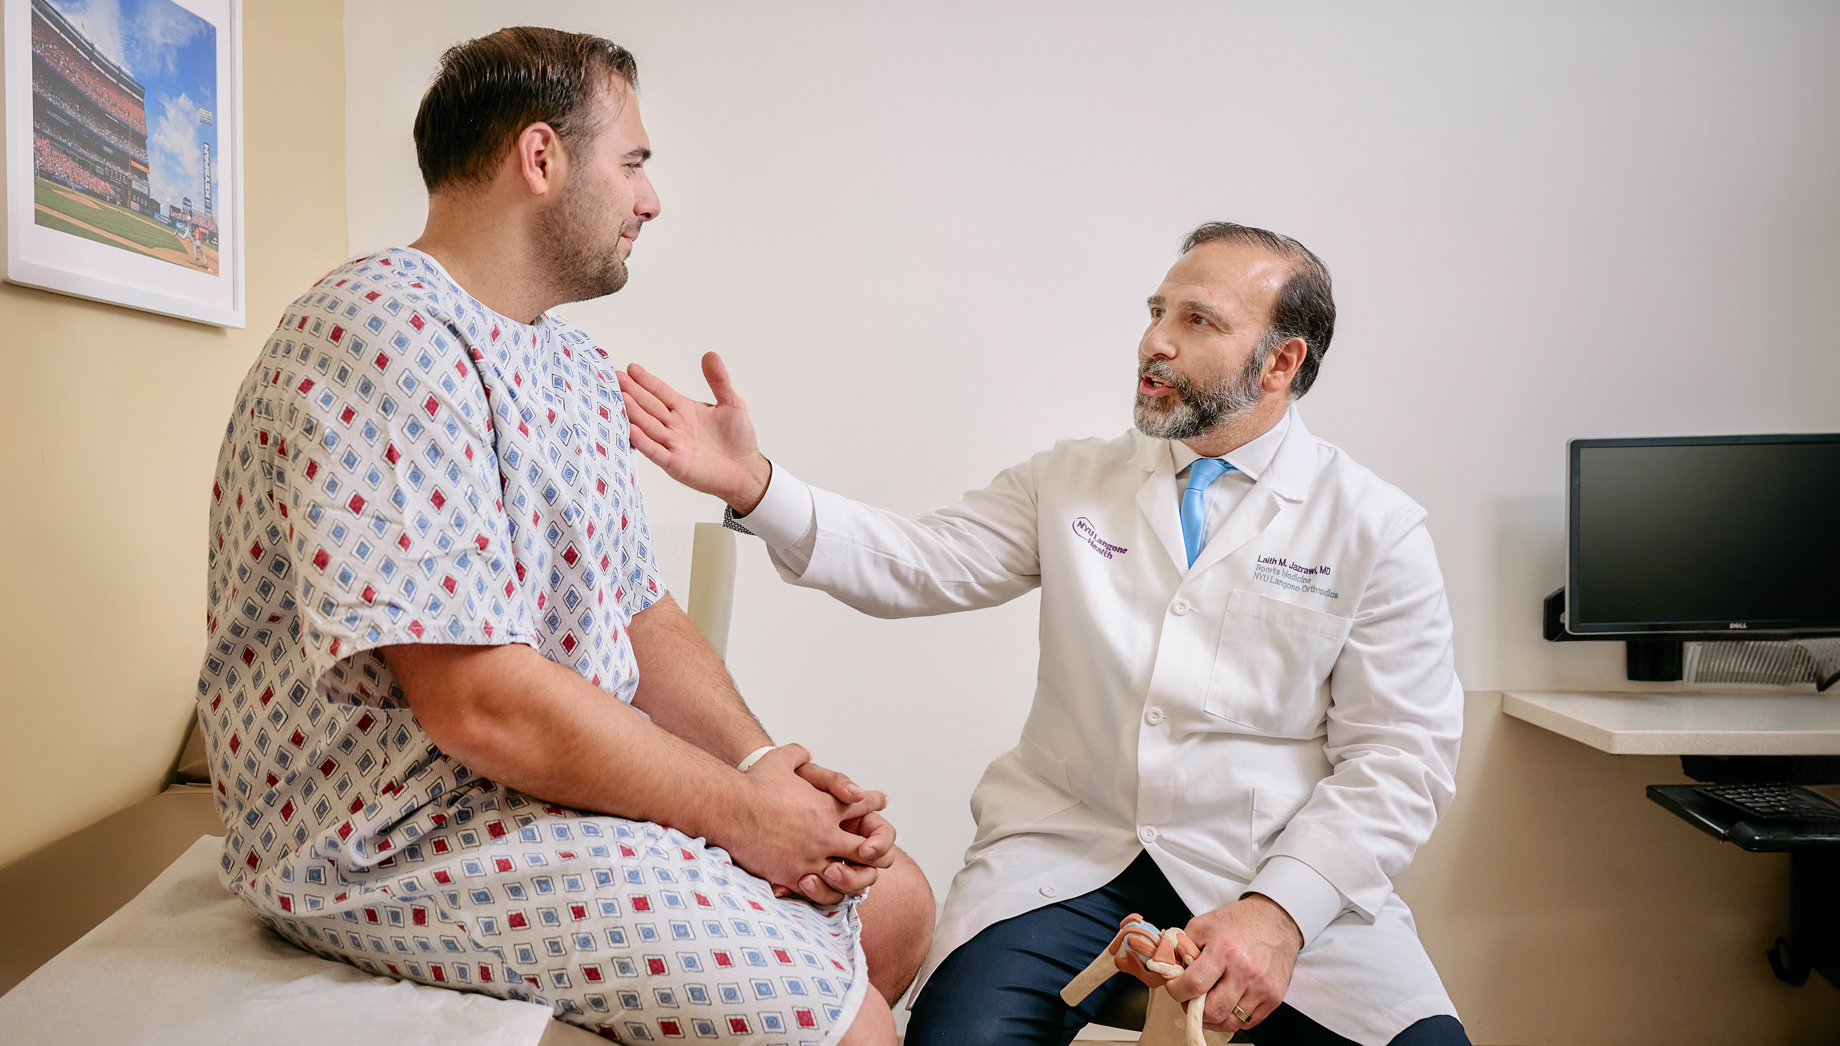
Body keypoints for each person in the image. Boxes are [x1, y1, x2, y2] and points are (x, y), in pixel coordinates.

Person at [194, 27, 932, 1045]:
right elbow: (481, 702)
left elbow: (637, 608)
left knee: (897, 904)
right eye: (632, 162)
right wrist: (741, 817)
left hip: (535, 790)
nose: (650, 198)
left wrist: (763, 763)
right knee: (852, 1027)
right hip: (397, 829)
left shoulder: (574, 367)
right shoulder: (384, 330)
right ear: (540, 159)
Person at [618, 223, 1470, 1046]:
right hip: (1068, 857)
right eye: (1156, 311)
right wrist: (757, 486)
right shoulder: (1071, 479)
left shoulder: (1374, 528)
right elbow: (919, 562)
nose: (1155, 343)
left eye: (1197, 321)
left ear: (1282, 362)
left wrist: (1282, 911)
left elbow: (1402, 755)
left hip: (1271, 872)